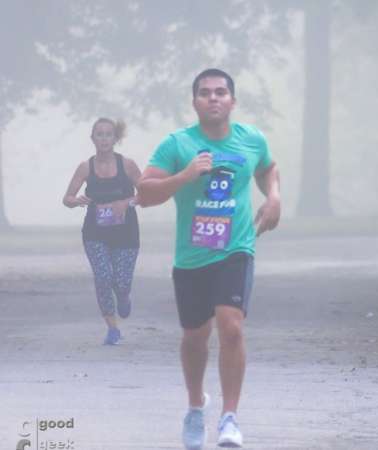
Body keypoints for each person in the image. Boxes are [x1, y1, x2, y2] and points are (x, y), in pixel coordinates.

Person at [137, 68, 281, 449]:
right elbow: (145, 193)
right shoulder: (177, 144)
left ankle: (229, 419)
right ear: (195, 101)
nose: (213, 98)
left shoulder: (251, 139)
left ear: (232, 101)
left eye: (220, 92)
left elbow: (268, 167)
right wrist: (185, 175)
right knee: (194, 339)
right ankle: (195, 406)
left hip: (235, 249)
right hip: (192, 257)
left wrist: (274, 197)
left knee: (231, 327)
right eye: (205, 93)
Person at [63, 117, 141, 345]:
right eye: (100, 134)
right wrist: (76, 200)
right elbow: (66, 198)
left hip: (126, 233)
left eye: (108, 134)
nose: (104, 138)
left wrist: (126, 203)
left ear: (115, 139)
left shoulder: (127, 165)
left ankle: (124, 296)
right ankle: (112, 328)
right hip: (95, 233)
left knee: (122, 282)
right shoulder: (86, 167)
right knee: (103, 277)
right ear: (93, 138)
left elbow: (147, 192)